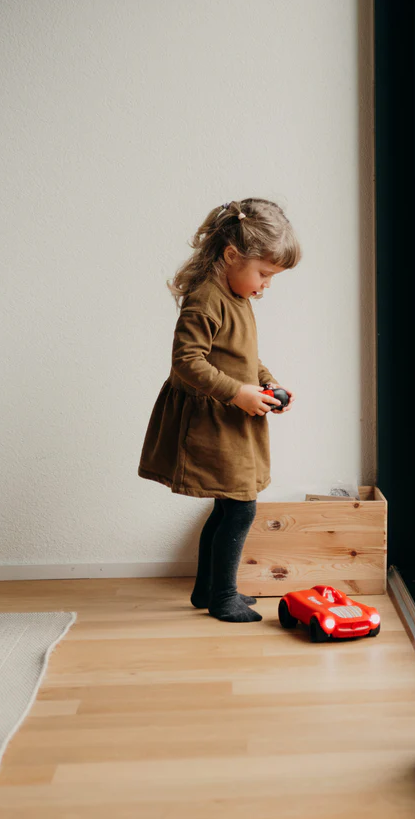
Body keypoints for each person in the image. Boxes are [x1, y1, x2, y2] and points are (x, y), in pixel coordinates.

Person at [139, 198, 301, 623]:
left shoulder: (237, 295)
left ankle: (207, 589)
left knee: (228, 506)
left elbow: (243, 355)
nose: (266, 285)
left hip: (232, 418)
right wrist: (237, 393)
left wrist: (267, 382)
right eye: (263, 273)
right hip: (212, 422)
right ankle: (223, 596)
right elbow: (187, 361)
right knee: (241, 507)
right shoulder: (207, 297)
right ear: (232, 255)